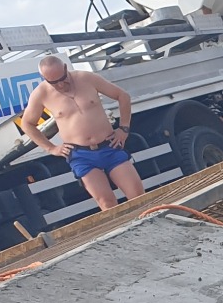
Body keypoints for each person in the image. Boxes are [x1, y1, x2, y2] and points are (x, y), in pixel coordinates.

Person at [17, 52, 143, 213]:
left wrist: (124, 128)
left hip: (109, 145)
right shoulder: (42, 93)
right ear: (44, 79)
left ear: (65, 68)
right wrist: (51, 148)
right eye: (54, 82)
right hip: (81, 154)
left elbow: (122, 96)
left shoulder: (86, 78)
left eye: (62, 79)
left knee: (137, 195)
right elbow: (27, 124)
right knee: (106, 202)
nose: (60, 85)